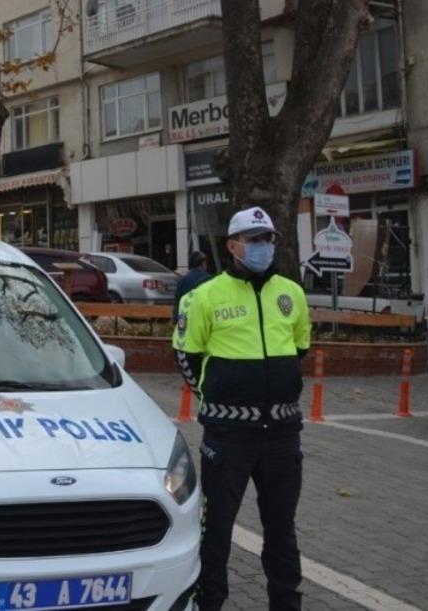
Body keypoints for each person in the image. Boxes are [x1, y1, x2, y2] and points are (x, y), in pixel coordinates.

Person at [172, 206, 310, 611]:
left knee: (282, 531)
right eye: (253, 240)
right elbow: (186, 354)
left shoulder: (292, 293)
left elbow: (299, 348)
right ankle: (209, 603)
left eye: (267, 239)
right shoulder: (205, 296)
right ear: (233, 246)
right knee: (216, 531)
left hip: (283, 436)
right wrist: (217, 398)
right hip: (228, 437)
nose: (263, 247)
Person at [172, 250, 212, 322]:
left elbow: (177, 302)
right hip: (204, 319)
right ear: (203, 263)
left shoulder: (183, 280)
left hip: (186, 319)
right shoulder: (210, 279)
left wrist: (176, 319)